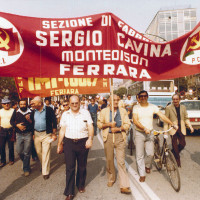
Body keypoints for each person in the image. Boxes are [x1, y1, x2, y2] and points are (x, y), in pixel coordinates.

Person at [132, 90, 177, 182]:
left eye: (145, 96)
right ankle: (142, 174)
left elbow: (162, 116)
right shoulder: (136, 107)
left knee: (151, 154)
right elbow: (135, 121)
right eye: (141, 96)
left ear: (147, 97)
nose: (143, 98)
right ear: (139, 98)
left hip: (150, 133)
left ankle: (147, 165)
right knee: (139, 155)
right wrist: (144, 128)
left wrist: (172, 124)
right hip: (139, 133)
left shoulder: (152, 107)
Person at [57, 95, 94, 200]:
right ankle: (69, 192)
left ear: (80, 102)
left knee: (82, 166)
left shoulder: (85, 113)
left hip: (83, 142)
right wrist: (60, 144)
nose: (74, 105)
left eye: (76, 103)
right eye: (72, 103)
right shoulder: (65, 114)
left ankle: (80, 184)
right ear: (69, 103)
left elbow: (90, 126)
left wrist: (90, 139)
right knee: (70, 167)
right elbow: (62, 130)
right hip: (69, 143)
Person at [97, 94, 131, 194]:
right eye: (113, 100)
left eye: (117, 100)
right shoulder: (104, 111)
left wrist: (119, 129)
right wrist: (108, 125)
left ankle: (124, 185)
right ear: (109, 101)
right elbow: (99, 124)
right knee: (109, 160)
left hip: (120, 137)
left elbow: (127, 124)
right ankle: (111, 178)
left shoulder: (123, 111)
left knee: (121, 161)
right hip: (108, 137)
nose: (115, 102)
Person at [164, 94, 194, 167]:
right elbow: (166, 120)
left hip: (181, 128)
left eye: (177, 99)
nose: (175, 101)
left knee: (182, 144)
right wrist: (165, 132)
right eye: (174, 99)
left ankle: (173, 152)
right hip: (172, 128)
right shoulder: (168, 108)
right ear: (172, 100)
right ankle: (177, 160)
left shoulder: (183, 107)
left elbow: (186, 118)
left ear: (179, 100)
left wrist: (190, 126)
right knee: (175, 145)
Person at [31, 96, 57, 180]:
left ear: (40, 103)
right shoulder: (33, 111)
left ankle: (45, 172)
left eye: (34, 103)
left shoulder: (49, 110)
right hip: (36, 134)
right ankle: (43, 165)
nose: (32, 104)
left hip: (46, 134)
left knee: (46, 153)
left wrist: (54, 133)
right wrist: (33, 133)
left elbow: (54, 121)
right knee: (38, 152)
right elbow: (32, 122)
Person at [10, 99, 34, 176]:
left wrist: (29, 120)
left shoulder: (31, 112)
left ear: (27, 104)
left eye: (24, 104)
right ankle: (25, 163)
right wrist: (17, 125)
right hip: (19, 135)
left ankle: (26, 169)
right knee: (19, 151)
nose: (23, 105)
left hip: (28, 134)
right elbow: (11, 122)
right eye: (21, 104)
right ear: (19, 105)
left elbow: (34, 123)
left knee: (27, 152)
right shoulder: (16, 112)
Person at [0, 98, 15, 167]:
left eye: (8, 103)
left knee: (11, 146)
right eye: (5, 103)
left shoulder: (13, 111)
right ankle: (3, 161)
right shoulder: (0, 111)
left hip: (11, 130)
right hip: (2, 130)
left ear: (10, 103)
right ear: (2, 104)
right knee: (1, 146)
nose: (6, 104)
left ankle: (11, 159)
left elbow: (15, 120)